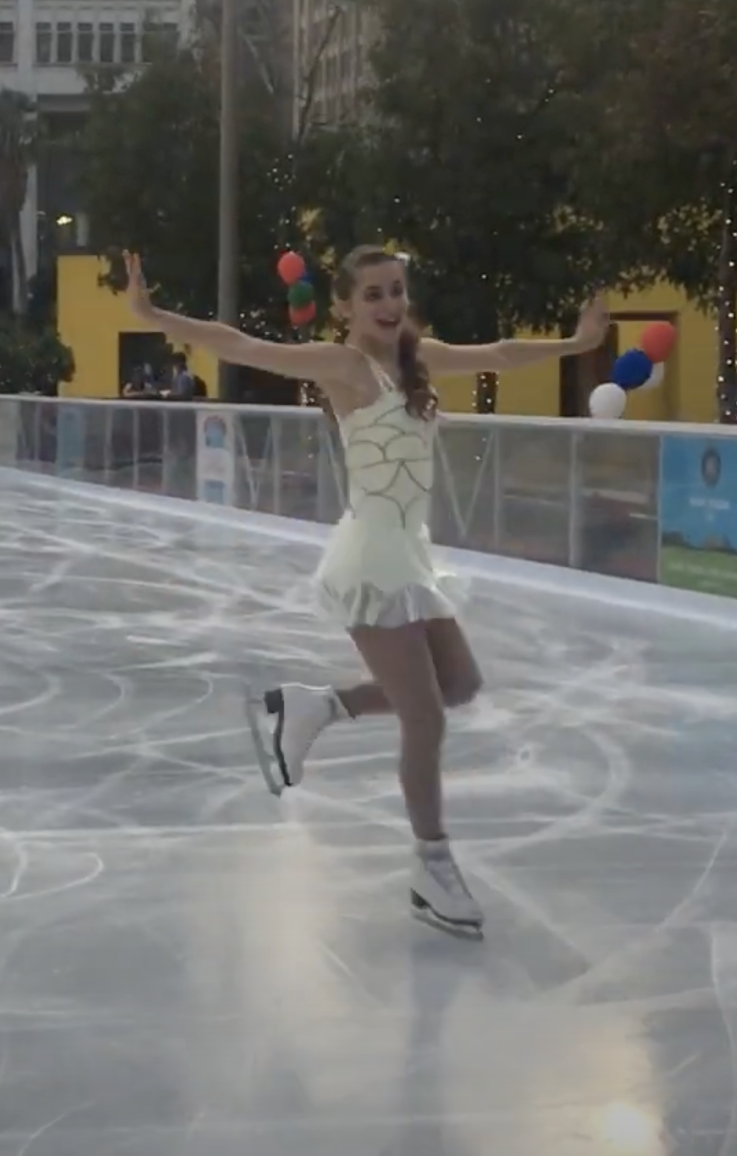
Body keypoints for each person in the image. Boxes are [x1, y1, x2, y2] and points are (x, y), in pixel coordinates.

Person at [125, 247, 609, 937]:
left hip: (409, 550)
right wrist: (151, 315)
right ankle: (431, 867)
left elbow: (497, 353)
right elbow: (241, 343)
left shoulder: (416, 359)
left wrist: (577, 342)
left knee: (459, 683)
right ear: (344, 308)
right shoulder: (343, 367)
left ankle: (316, 706)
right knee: (427, 716)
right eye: (374, 294)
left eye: (397, 291)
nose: (388, 304)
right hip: (371, 556)